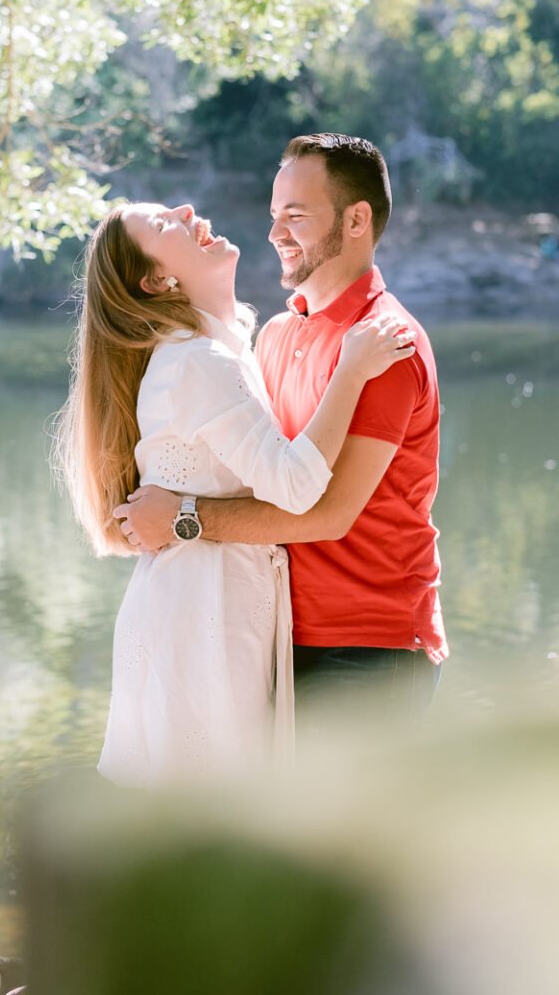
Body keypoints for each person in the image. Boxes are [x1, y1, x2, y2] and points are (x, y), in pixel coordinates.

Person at [55, 198, 416, 788]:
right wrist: (351, 370)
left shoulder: (224, 347)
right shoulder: (198, 362)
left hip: (213, 602)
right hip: (204, 614)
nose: (188, 208)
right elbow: (296, 485)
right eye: (164, 222)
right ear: (157, 280)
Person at [114, 134, 448, 726]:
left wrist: (181, 519)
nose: (275, 233)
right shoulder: (274, 337)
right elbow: (260, 475)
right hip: (275, 634)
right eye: (274, 215)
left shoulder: (386, 345)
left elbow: (328, 515)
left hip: (368, 648)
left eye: (295, 215)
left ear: (356, 220)